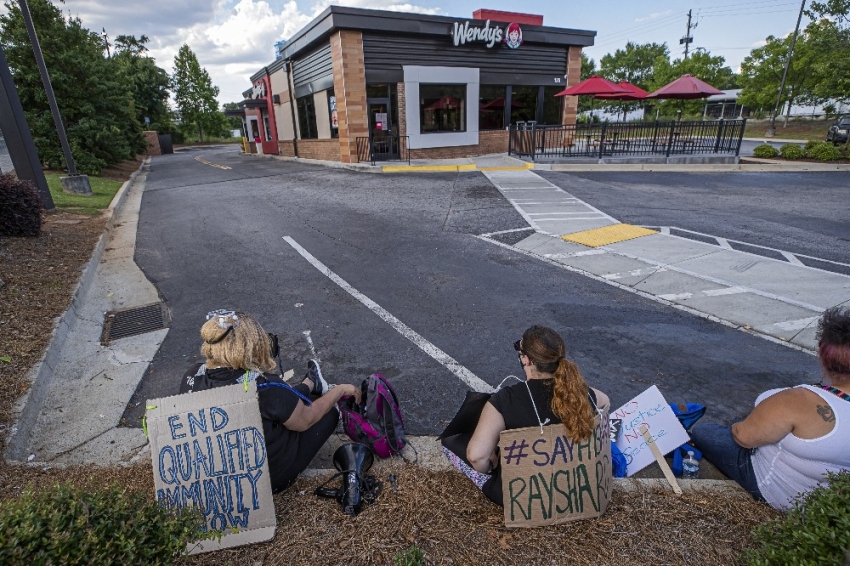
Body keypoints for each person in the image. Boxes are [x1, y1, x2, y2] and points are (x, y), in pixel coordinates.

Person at [180, 309, 360, 493]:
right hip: (270, 479)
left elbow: (279, 400)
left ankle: (311, 382)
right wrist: (340, 390)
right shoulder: (266, 386)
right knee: (328, 411)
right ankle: (320, 390)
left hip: (218, 475)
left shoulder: (192, 376)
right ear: (249, 346)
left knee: (281, 403)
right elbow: (308, 419)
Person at [691, 306, 850, 510]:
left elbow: (744, 438)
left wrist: (742, 427)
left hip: (780, 493)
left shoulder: (798, 400)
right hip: (833, 509)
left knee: (706, 432)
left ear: (824, 357)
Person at [447, 325, 607, 506]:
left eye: (519, 349)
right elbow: (605, 402)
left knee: (450, 443)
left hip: (525, 497)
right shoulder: (579, 393)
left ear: (527, 359)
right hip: (573, 487)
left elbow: (476, 456)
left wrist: (491, 467)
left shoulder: (506, 399)